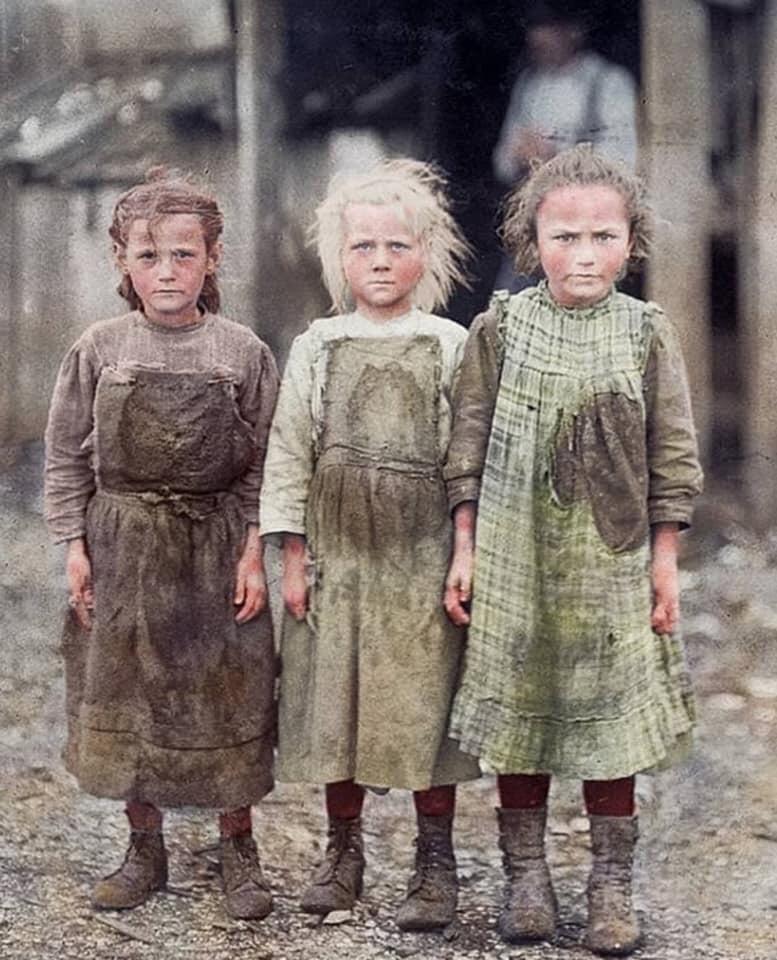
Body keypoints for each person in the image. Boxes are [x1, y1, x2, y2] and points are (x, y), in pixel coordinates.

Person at [443, 145, 703, 955]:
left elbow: (673, 456)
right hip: (517, 554)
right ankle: (524, 875)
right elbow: (466, 441)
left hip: (610, 560)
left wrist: (663, 562)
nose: (582, 255)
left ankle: (608, 883)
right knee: (521, 713)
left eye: (600, 237)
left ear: (630, 244)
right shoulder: (502, 326)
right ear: (530, 243)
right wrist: (465, 546)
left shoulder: (646, 333)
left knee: (606, 723)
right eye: (563, 238)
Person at [44, 169, 280, 920]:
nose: (167, 272)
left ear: (213, 258)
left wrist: (252, 552)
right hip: (124, 546)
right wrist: (74, 546)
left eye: (184, 255)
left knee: (226, 692)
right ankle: (143, 849)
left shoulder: (242, 351)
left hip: (213, 548)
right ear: (121, 260)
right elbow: (64, 457)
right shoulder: (98, 347)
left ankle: (237, 849)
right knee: (129, 691)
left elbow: (265, 464)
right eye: (148, 257)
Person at [260, 159, 480, 931]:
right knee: (338, 708)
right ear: (338, 257)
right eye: (363, 247)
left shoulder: (451, 344)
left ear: (428, 252)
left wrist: (463, 548)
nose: (380, 261)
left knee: (423, 707)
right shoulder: (316, 345)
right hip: (338, 559)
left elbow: (466, 459)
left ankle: (434, 862)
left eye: (396, 245)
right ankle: (342, 854)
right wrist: (291, 557)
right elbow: (289, 452)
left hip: (418, 561)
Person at [492, 1, 638, 292]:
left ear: (575, 31)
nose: (537, 37)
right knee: (513, 310)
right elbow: (501, 163)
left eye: (548, 27)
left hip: (590, 228)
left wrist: (556, 157)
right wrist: (519, 153)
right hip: (536, 225)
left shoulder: (609, 83)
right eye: (534, 27)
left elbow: (625, 161)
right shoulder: (530, 84)